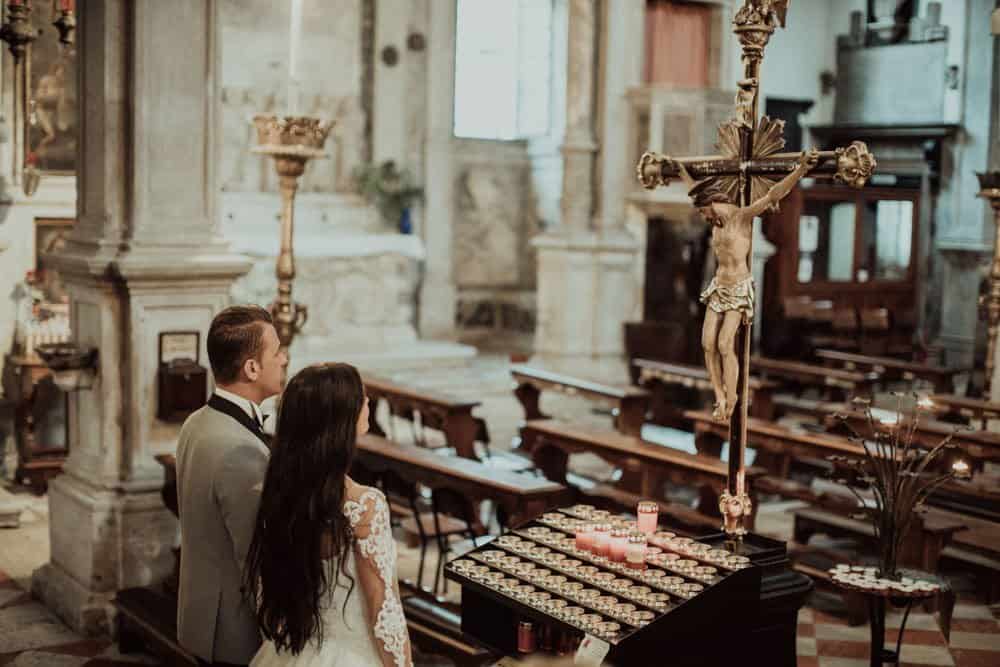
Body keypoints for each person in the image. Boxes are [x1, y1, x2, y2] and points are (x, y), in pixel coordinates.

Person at [245, 363, 413, 667]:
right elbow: (384, 611)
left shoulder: (279, 492)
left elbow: (268, 592)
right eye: (362, 397)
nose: (368, 402)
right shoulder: (366, 505)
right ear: (341, 419)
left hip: (292, 651)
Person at [176, 305, 288, 666]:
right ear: (251, 368)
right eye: (277, 351)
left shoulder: (196, 422)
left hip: (199, 612)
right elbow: (253, 557)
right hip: (232, 632)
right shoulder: (241, 448)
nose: (284, 358)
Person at [676, 148, 818, 420]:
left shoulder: (740, 217)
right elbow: (695, 188)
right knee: (707, 343)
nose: (705, 218)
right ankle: (718, 394)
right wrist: (681, 169)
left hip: (738, 286)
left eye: (705, 211)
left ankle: (732, 397)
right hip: (718, 286)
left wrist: (800, 170)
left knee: (725, 343)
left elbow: (772, 195)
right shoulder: (714, 221)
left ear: (713, 203)